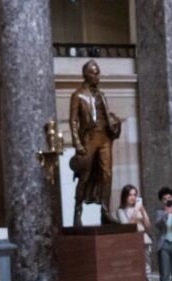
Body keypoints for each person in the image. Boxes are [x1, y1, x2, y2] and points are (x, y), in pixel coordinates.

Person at [69, 60, 121, 226]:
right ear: (86, 74)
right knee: (85, 175)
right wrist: (77, 143)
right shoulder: (78, 95)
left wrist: (114, 121)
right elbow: (73, 121)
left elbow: (105, 114)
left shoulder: (101, 95)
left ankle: (105, 211)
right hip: (89, 138)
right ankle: (77, 212)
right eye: (94, 73)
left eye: (98, 72)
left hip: (105, 136)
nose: (97, 76)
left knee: (107, 174)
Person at [116, 184, 154, 280]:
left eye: (134, 195)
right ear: (125, 196)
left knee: (147, 267)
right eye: (130, 195)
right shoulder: (121, 210)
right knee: (133, 266)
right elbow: (127, 226)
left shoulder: (139, 208)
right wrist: (135, 211)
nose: (133, 197)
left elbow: (148, 226)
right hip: (131, 240)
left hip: (144, 239)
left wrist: (143, 211)